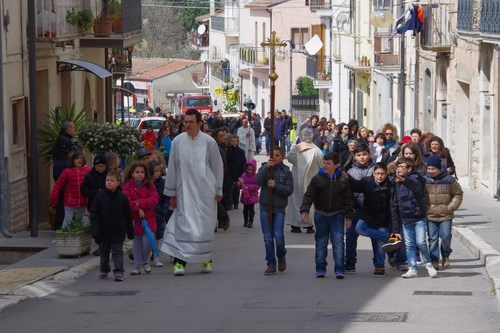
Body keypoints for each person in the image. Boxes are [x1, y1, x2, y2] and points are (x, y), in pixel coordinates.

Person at [163, 109, 223, 276]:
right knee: (183, 225)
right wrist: (172, 193)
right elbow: (173, 168)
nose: (187, 125)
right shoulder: (177, 142)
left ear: (199, 124)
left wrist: (219, 189)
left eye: (191, 122)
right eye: (185, 122)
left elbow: (217, 166)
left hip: (205, 192)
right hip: (184, 191)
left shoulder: (209, 142)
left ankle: (206, 260)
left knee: (205, 226)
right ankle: (179, 263)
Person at [300, 152, 355, 279]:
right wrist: (304, 211)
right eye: (324, 162)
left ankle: (340, 269)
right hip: (321, 214)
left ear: (336, 165)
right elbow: (309, 196)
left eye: (328, 163)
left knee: (338, 242)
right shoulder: (317, 179)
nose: (325, 165)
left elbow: (348, 200)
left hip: (337, 215)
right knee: (321, 242)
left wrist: (349, 216)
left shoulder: (343, 179)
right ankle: (320, 268)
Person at [350, 163, 403, 277]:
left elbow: (393, 208)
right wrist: (347, 176)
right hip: (367, 215)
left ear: (387, 174)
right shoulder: (366, 181)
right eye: (378, 173)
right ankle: (389, 238)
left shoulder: (390, 186)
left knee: (379, 244)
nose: (380, 176)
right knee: (359, 228)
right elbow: (356, 186)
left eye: (383, 174)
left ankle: (379, 266)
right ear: (373, 174)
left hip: (383, 218)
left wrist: (395, 230)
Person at [391, 158, 437, 278]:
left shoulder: (418, 179)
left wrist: (404, 180)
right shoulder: (395, 183)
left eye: (402, 166)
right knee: (409, 244)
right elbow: (394, 204)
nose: (399, 168)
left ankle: (428, 263)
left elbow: (416, 187)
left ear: (409, 169)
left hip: (419, 217)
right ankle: (412, 268)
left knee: (421, 242)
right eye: (398, 166)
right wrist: (396, 229)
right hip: (406, 218)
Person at [254, 147, 293, 275]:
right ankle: (271, 263)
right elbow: (257, 181)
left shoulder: (286, 171)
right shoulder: (265, 168)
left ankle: (281, 256)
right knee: (268, 238)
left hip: (279, 208)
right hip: (265, 207)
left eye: (277, 155)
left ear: (282, 157)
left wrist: (276, 185)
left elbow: (289, 190)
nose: (275, 157)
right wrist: (266, 168)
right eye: (273, 155)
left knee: (278, 236)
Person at [90, 171, 134, 282]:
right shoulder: (99, 197)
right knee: (104, 252)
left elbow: (128, 215)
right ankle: (104, 269)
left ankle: (119, 271)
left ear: (118, 182)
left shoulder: (122, 198)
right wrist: (95, 231)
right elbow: (94, 215)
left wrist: (130, 231)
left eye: (112, 181)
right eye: (107, 180)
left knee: (117, 251)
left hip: (118, 230)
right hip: (103, 230)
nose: (109, 182)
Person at [424, 155, 463, 270]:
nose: (431, 171)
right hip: (430, 215)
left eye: (433, 169)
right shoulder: (424, 180)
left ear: (439, 169)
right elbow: (419, 195)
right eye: (429, 169)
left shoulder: (449, 180)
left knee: (445, 236)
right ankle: (434, 259)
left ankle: (445, 255)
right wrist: (425, 207)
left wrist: (450, 207)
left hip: (446, 214)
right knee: (432, 238)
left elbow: (458, 194)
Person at [122, 161, 159, 276]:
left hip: (149, 218)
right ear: (132, 174)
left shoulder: (149, 185)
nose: (140, 174)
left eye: (142, 172)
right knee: (137, 243)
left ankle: (144, 260)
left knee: (148, 241)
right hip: (135, 218)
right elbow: (126, 201)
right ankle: (137, 266)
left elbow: (154, 198)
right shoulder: (128, 186)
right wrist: (137, 208)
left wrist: (140, 204)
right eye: (137, 172)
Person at [345, 143, 376, 272]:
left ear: (369, 154)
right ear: (354, 156)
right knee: (351, 235)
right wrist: (349, 208)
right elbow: (347, 192)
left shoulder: (375, 169)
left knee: (376, 236)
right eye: (359, 155)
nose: (362, 157)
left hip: (373, 208)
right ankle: (350, 262)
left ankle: (379, 263)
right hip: (356, 208)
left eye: (364, 154)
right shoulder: (350, 171)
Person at [286, 128, 323, 234]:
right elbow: (321, 163)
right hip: (311, 178)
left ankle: (296, 225)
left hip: (297, 177)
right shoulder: (316, 150)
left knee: (295, 200)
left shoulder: (296, 148)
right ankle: (309, 225)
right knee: (310, 201)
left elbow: (290, 158)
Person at [49, 151, 90, 228]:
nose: (79, 160)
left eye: (81, 158)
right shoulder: (67, 172)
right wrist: (53, 201)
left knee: (79, 222)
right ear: (73, 160)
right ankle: (64, 238)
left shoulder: (88, 171)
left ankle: (77, 239)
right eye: (77, 158)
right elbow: (58, 186)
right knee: (67, 221)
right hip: (69, 202)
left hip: (83, 201)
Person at [81, 154, 108, 256]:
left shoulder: (109, 175)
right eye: (98, 166)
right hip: (93, 206)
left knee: (105, 226)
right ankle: (100, 245)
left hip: (107, 206)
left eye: (103, 166)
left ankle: (103, 247)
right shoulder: (89, 176)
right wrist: (96, 191)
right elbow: (83, 190)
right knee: (95, 228)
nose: (101, 168)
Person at [147, 160, 170, 267]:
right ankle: (146, 258)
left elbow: (166, 198)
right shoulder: (146, 184)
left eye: (159, 171)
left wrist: (164, 210)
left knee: (158, 237)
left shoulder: (162, 183)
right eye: (155, 171)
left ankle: (156, 257)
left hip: (159, 214)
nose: (158, 173)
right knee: (147, 237)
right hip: (149, 213)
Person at [226, 134, 247, 211]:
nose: (234, 143)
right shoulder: (228, 151)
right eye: (233, 141)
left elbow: (244, 163)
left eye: (235, 141)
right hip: (230, 172)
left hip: (238, 172)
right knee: (230, 189)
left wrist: (242, 174)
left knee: (237, 188)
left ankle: (236, 203)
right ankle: (230, 203)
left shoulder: (241, 151)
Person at [239, 159, 260, 228]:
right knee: (245, 209)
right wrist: (241, 184)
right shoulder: (244, 176)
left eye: (251, 169)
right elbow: (241, 183)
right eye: (248, 169)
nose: (250, 171)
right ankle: (245, 220)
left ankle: (251, 221)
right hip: (245, 195)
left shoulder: (256, 176)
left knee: (251, 209)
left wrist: (249, 187)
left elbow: (257, 186)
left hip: (252, 195)